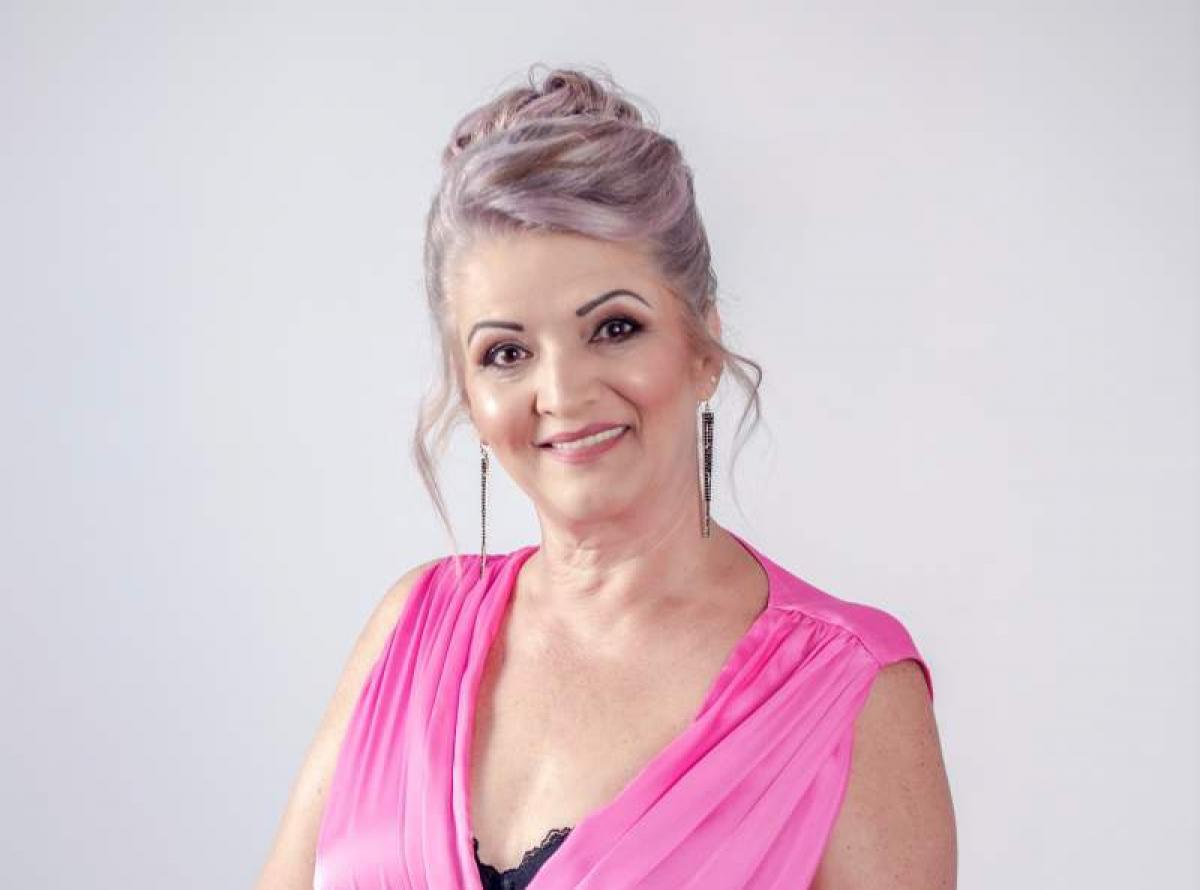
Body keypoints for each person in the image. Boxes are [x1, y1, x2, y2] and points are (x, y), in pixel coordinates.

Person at [254, 65, 957, 890]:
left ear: (702, 347)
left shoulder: (850, 693)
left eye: (614, 328)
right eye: (506, 352)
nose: (562, 393)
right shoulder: (411, 626)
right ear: (470, 394)